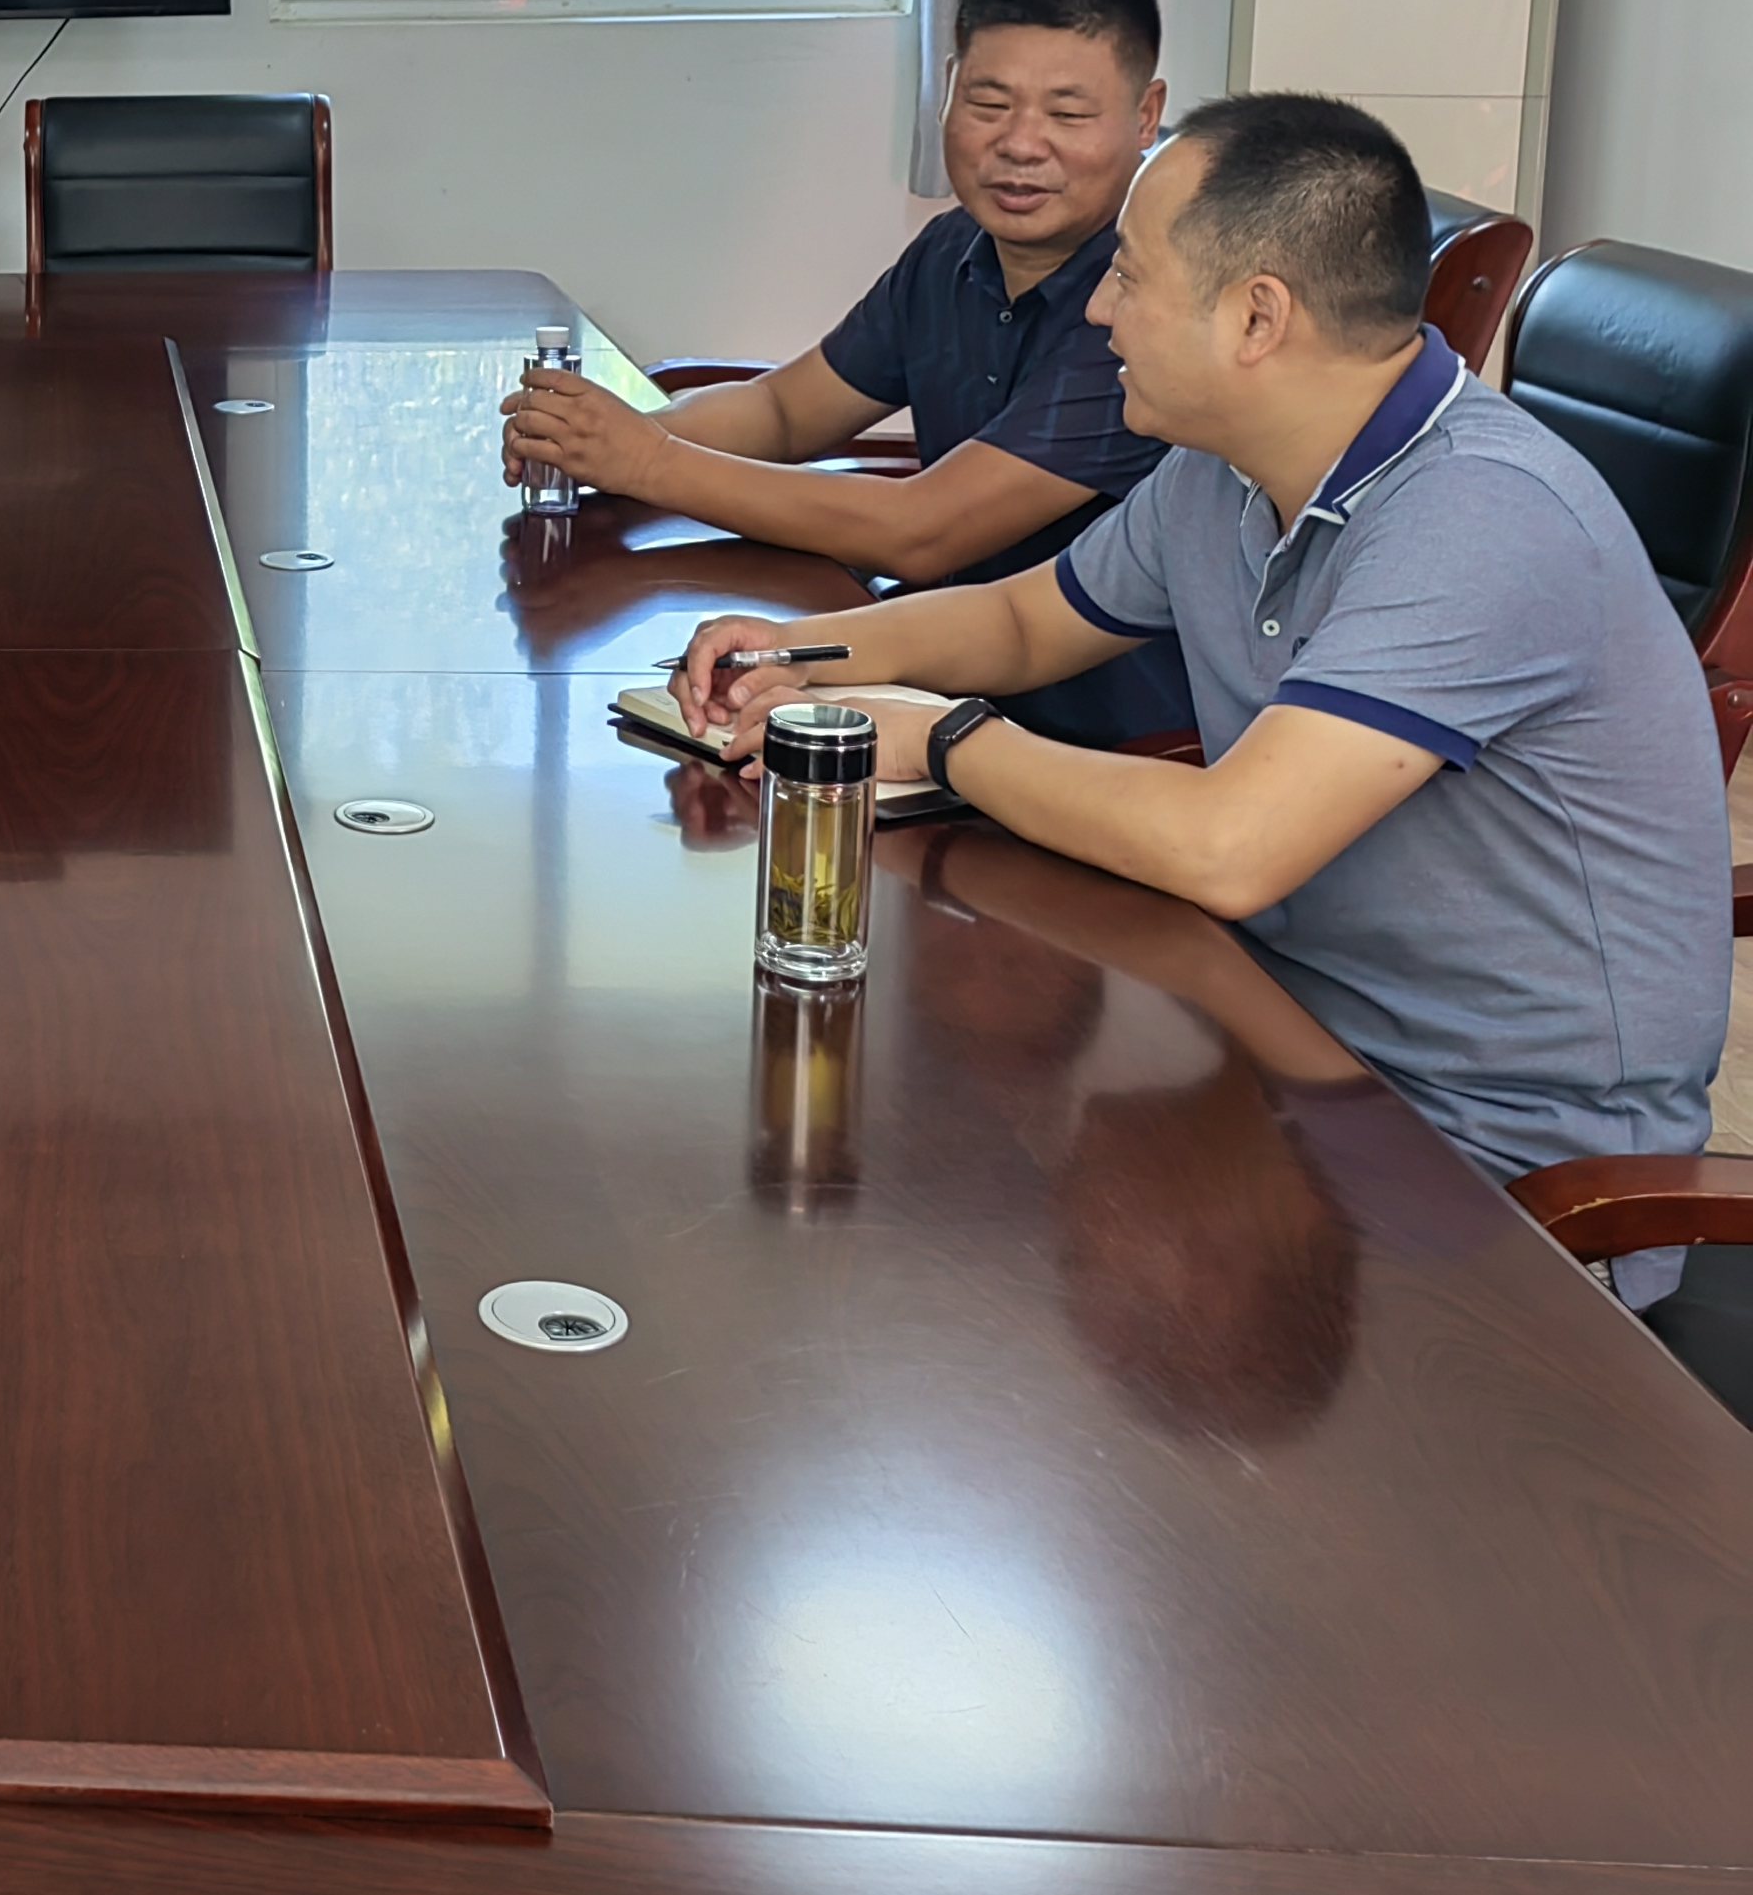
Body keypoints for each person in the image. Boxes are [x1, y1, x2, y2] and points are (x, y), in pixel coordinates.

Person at [673, 93, 1730, 1297]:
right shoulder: (1225, 469)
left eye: (1127, 275)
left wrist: (943, 739)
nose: (1099, 310)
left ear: (1256, 317)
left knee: (944, 1227)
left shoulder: (1481, 519)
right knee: (904, 1194)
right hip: (1281, 1050)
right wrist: (802, 650)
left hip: (1493, 1185)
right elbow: (1024, 619)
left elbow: (1230, 848)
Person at [509, 0, 1189, 745]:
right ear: (947, 88)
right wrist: (597, 443)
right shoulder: (950, 250)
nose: (1020, 145)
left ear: (1146, 115)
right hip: (930, 682)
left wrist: (649, 462)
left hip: (1101, 741)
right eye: (988, 103)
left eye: (1068, 116)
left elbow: (924, 529)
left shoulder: (1147, 308)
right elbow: (784, 410)